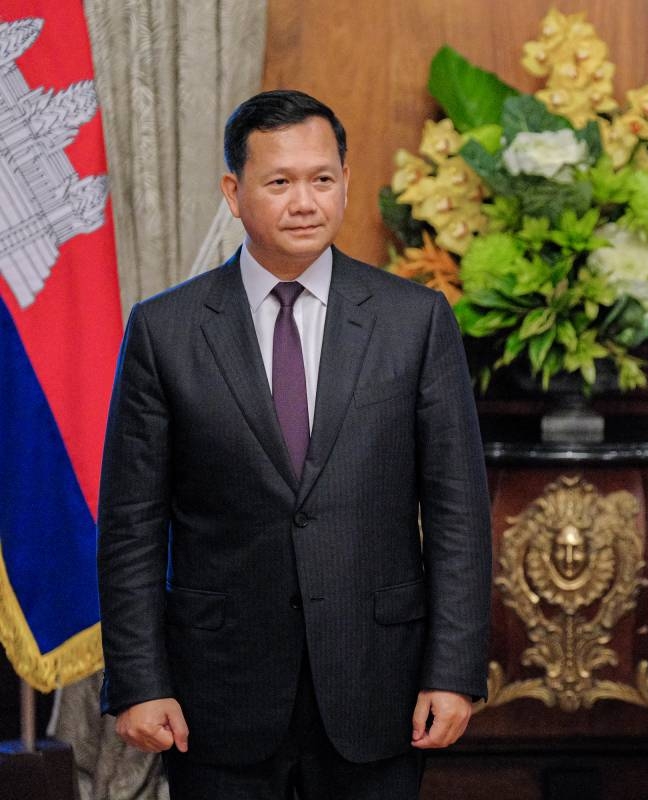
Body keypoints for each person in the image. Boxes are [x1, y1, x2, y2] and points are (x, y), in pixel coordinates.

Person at [97, 89, 492, 799]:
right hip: (215, 693)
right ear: (234, 192)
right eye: (279, 182)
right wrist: (138, 682)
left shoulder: (415, 320)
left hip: (381, 686)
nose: (304, 202)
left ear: (344, 181)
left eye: (322, 179)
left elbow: (459, 511)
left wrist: (454, 671)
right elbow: (130, 525)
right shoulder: (166, 330)